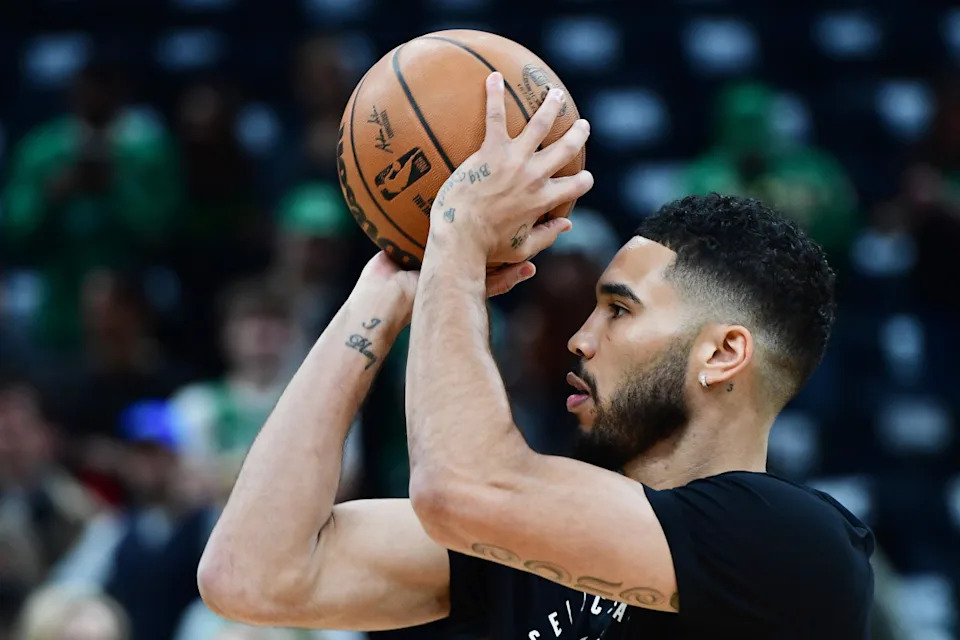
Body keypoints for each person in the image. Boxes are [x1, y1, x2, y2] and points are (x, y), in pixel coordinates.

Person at [198, 74, 874, 638]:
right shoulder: (525, 539)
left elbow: (457, 489)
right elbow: (251, 574)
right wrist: (381, 298)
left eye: (619, 310)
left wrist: (460, 235)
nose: (581, 338)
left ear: (723, 353)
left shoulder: (797, 543)